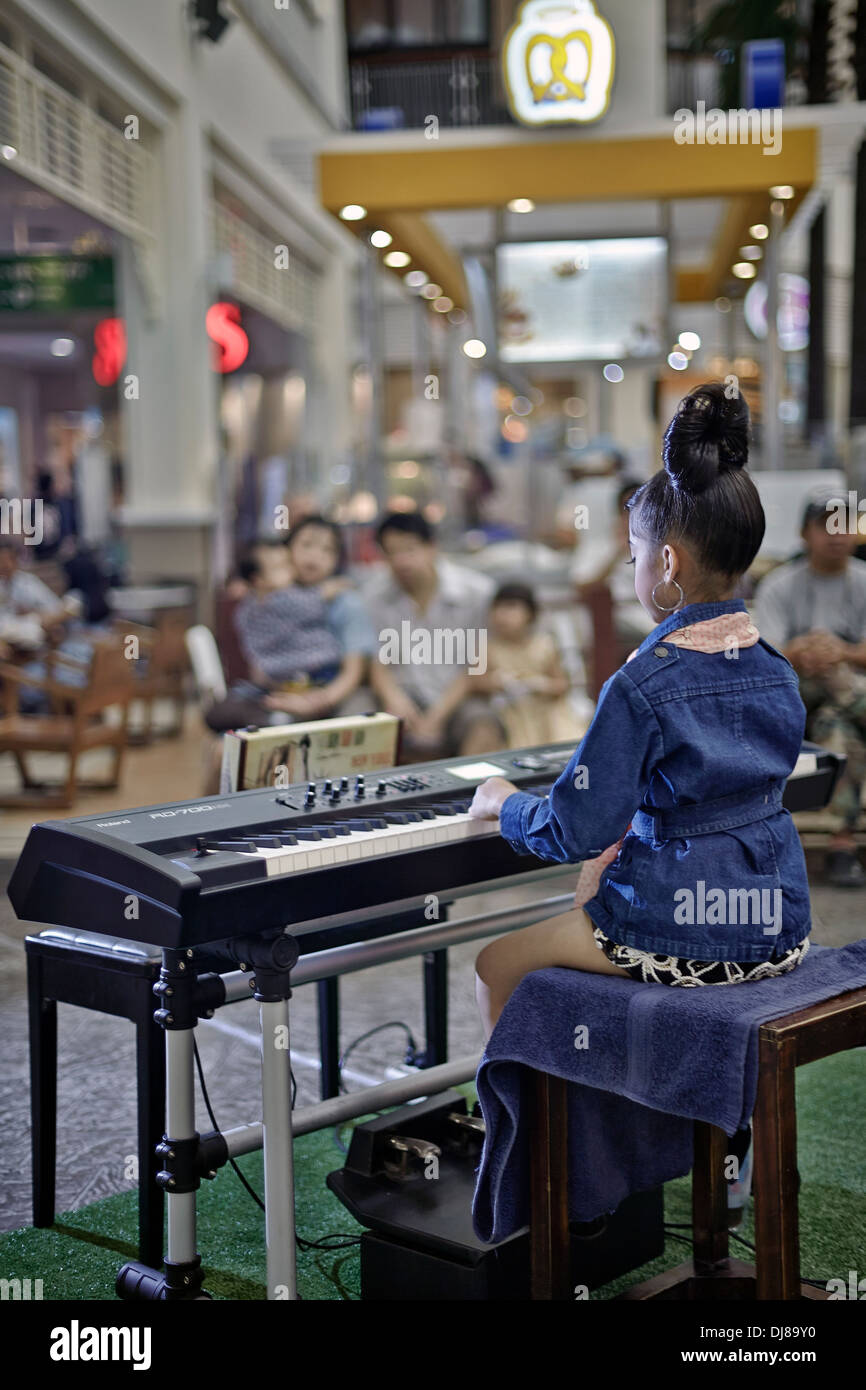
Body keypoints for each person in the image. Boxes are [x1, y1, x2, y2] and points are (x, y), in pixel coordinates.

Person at [470, 383, 811, 1045]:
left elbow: (575, 829)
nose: (630, 567)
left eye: (632, 555)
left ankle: (524, 1140)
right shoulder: (774, 664)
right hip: (783, 923)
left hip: (683, 930)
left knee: (496, 964)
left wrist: (503, 801)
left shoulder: (642, 683)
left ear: (665, 564)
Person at [754, 493, 866, 887]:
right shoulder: (779, 584)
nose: (836, 535)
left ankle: (838, 843)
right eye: (825, 525)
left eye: (845, 524)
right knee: (834, 689)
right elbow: (764, 654)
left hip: (842, 696)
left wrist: (844, 651)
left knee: (838, 725)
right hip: (794, 694)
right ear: (805, 533)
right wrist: (800, 652)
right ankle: (839, 847)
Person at [205, 517, 375, 733]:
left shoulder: (346, 602)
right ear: (287, 549)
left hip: (326, 690)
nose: (315, 556)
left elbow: (353, 672)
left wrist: (319, 700)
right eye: (307, 545)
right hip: (275, 689)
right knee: (226, 723)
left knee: (359, 717)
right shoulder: (264, 597)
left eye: (328, 550)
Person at [363, 510, 505, 758]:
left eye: (409, 550)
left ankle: (476, 796)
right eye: (391, 553)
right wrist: (395, 700)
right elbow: (377, 662)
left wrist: (437, 716)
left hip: (457, 697)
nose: (401, 561)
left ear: (432, 547)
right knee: (360, 715)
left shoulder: (476, 593)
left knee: (483, 723)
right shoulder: (374, 596)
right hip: (402, 696)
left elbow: (477, 666)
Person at [470, 581, 585, 748]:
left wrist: (540, 685)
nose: (502, 615)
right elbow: (476, 681)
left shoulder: (544, 644)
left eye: (511, 607)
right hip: (512, 717)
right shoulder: (486, 647)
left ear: (530, 614)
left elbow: (561, 685)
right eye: (497, 608)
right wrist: (500, 682)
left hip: (549, 716)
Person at [571, 479, 655, 651]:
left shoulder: (659, 547)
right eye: (628, 508)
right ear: (619, 513)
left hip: (653, 616)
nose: (634, 514)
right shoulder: (596, 546)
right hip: (616, 620)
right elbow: (581, 588)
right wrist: (616, 555)